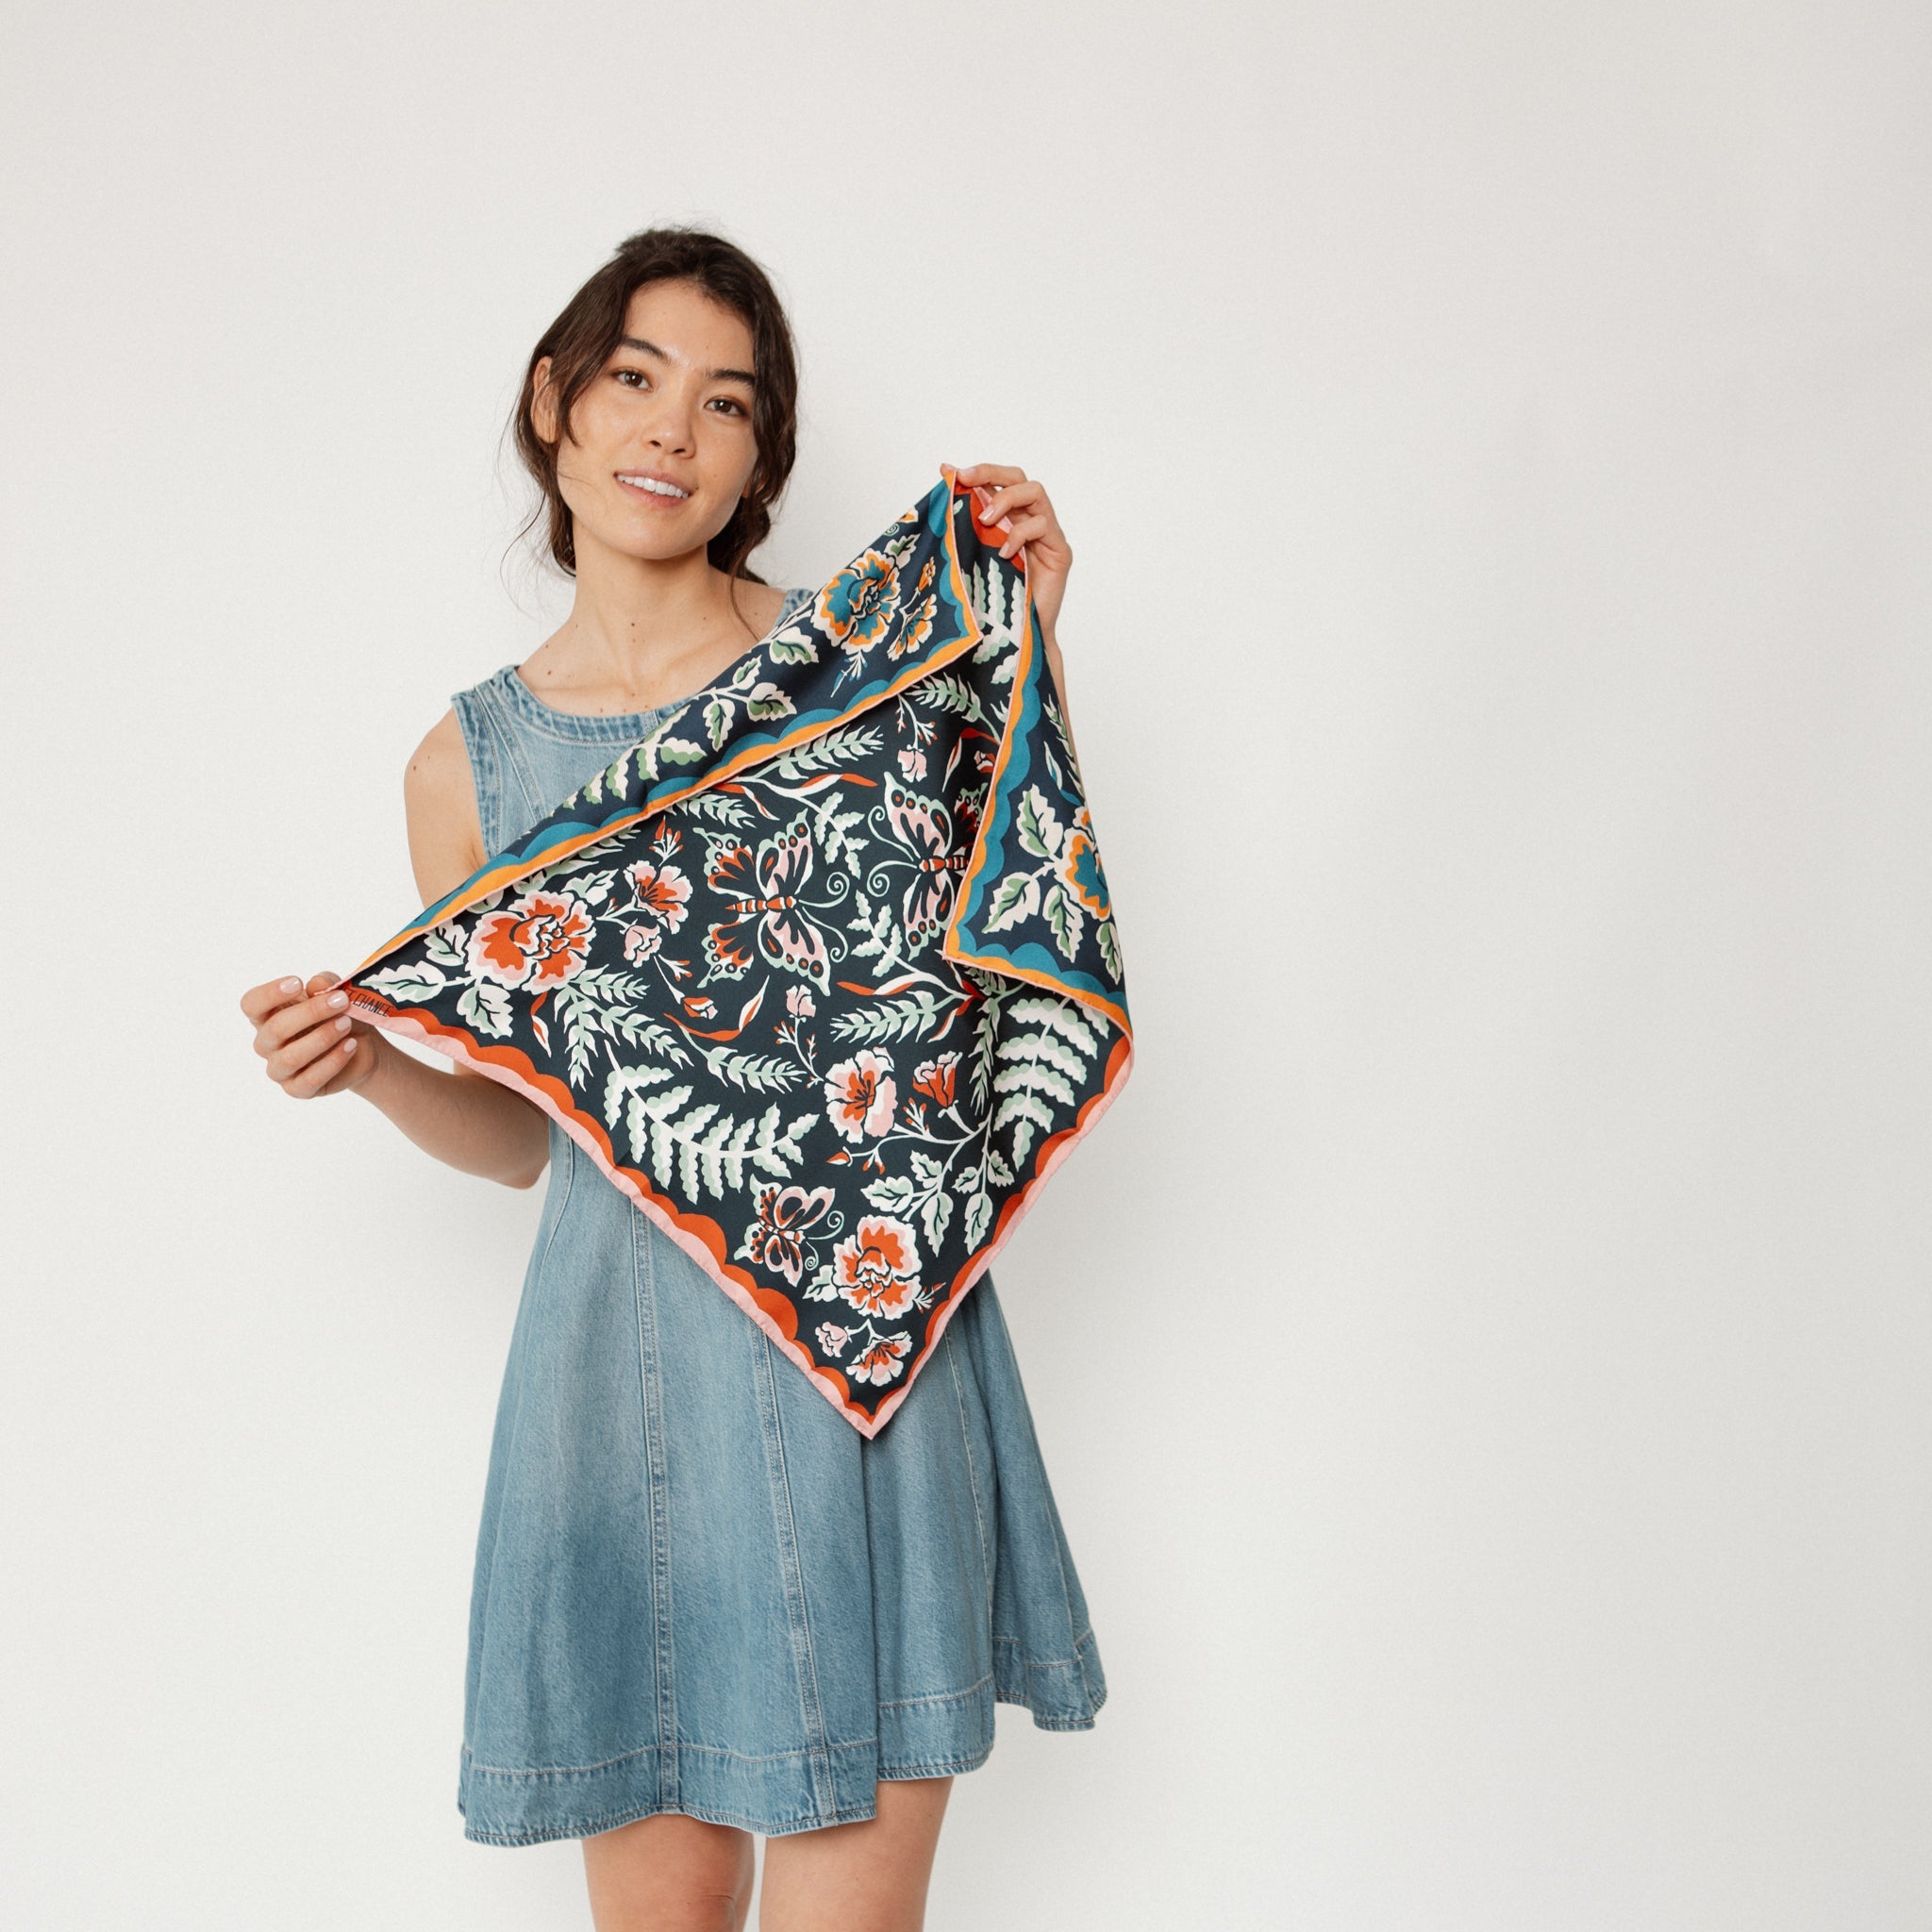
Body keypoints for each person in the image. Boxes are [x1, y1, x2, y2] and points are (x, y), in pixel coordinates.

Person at [239, 226, 1105, 1932]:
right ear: (554, 404)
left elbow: (1010, 945)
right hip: (615, 1397)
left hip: (865, 1362)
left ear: (758, 455)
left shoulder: (867, 666)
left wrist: (1029, 644)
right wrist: (371, 1073)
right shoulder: (468, 766)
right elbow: (530, 1143)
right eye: (635, 379)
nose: (671, 430)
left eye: (726, 402)